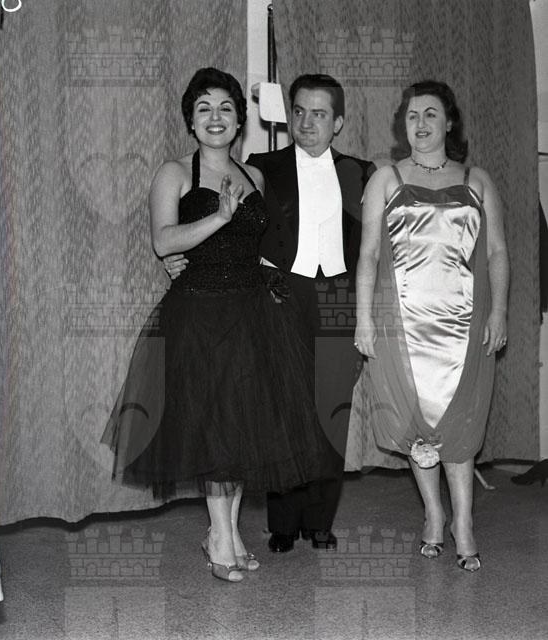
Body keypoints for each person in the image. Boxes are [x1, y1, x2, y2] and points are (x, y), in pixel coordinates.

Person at [102, 68, 334, 583]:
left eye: (226, 108)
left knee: (240, 429)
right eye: (204, 108)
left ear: (239, 121)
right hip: (199, 315)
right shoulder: (174, 173)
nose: (215, 117)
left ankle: (224, 534)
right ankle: (222, 539)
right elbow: (164, 241)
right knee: (214, 429)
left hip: (251, 315)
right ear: (190, 120)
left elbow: (259, 244)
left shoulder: (254, 177)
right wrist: (218, 219)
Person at [354, 80, 509, 572]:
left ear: (449, 123)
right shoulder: (385, 179)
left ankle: (464, 522)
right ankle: (434, 514)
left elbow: (497, 252)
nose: (419, 124)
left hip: (464, 325)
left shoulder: (477, 180)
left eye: (430, 114)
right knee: (415, 423)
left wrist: (500, 311)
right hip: (403, 325)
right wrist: (363, 319)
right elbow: (368, 254)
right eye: (411, 115)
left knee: (460, 423)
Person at [246, 74, 375, 552]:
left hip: (339, 295)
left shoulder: (362, 171)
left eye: (319, 114)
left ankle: (320, 520)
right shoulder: (263, 166)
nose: (306, 122)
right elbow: (237, 227)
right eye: (298, 111)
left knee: (331, 409)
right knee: (283, 408)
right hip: (283, 292)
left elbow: (377, 242)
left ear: (337, 122)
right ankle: (283, 522)